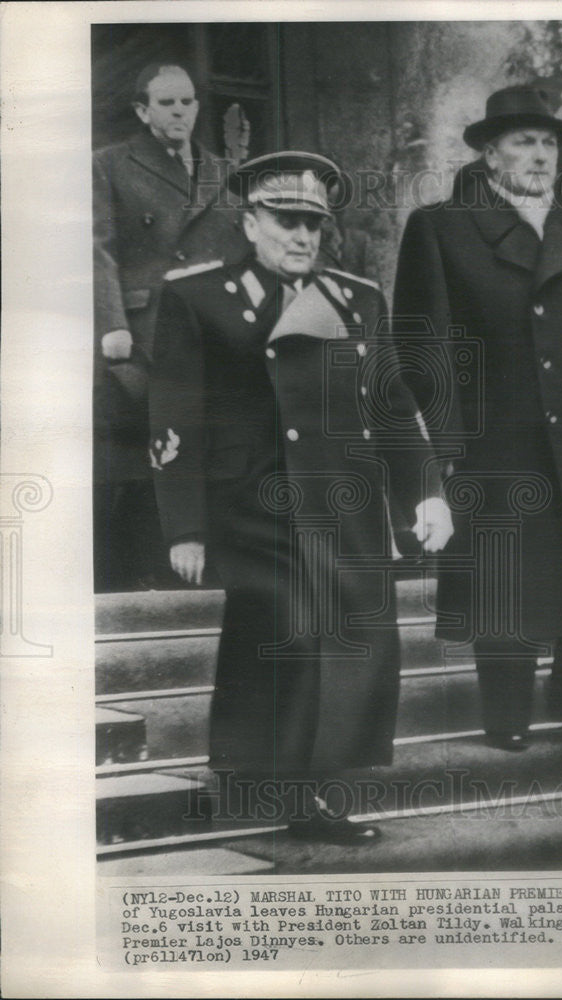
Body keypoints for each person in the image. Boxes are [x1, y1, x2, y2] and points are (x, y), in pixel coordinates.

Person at [149, 151, 453, 844]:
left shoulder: (356, 299)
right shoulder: (198, 297)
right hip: (252, 506)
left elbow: (393, 403)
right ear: (250, 221)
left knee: (348, 642)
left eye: (314, 224)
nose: (303, 237)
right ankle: (294, 791)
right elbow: (174, 415)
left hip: (345, 507)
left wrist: (427, 495)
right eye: (287, 221)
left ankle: (301, 781)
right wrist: (184, 527)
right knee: (291, 634)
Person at [394, 85, 562, 752]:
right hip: (499, 434)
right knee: (507, 580)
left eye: (548, 143)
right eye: (523, 142)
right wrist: (444, 444)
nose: (540, 156)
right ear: (489, 152)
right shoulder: (442, 226)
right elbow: (425, 345)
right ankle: (506, 717)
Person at [93, 63, 246, 589]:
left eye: (187, 102)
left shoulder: (222, 170)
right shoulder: (111, 165)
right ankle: (155, 567)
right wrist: (113, 324)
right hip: (145, 330)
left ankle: (210, 559)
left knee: (213, 437)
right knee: (151, 444)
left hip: (211, 330)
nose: (180, 111)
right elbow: (99, 249)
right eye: (167, 103)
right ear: (142, 110)